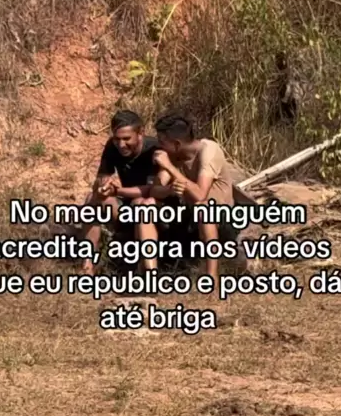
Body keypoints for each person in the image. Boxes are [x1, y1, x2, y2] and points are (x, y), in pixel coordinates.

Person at [136, 113, 253, 285]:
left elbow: (200, 194)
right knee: (146, 205)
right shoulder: (174, 156)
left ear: (177, 144)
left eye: (162, 142)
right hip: (190, 222)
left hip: (221, 220)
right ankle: (149, 275)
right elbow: (154, 191)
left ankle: (211, 278)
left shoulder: (208, 150)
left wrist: (169, 167)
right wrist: (169, 189)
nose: (159, 146)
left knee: (203, 208)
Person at [81, 109, 158, 274]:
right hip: (126, 206)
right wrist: (103, 187)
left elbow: (152, 190)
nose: (121, 145)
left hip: (154, 209)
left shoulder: (153, 149)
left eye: (126, 139)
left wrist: (119, 191)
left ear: (141, 133)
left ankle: (142, 270)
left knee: (140, 203)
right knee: (92, 200)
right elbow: (101, 178)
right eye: (117, 139)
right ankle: (88, 266)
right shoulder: (112, 146)